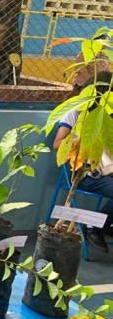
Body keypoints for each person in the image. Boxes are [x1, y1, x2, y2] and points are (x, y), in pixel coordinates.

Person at [52, 71, 113, 249]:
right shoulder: (76, 111)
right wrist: (88, 137)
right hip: (84, 173)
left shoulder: (108, 114)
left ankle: (103, 223)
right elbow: (57, 144)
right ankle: (94, 226)